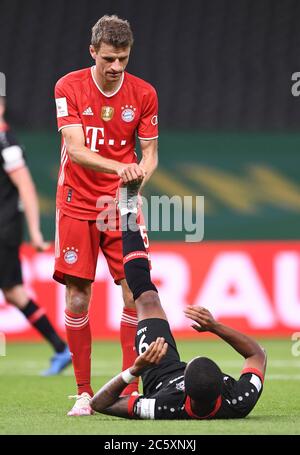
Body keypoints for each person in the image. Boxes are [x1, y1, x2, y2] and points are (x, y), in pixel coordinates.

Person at [53, 15, 158, 415]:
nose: (116, 68)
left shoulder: (144, 93)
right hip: (77, 201)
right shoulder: (69, 86)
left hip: (122, 205)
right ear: (93, 51)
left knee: (134, 291)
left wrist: (135, 184)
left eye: (124, 59)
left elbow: (149, 155)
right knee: (79, 296)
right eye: (109, 59)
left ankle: (124, 387)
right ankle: (84, 391)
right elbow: (76, 149)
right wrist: (120, 169)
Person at [90, 182, 267, 419]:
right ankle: (128, 208)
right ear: (221, 388)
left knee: (146, 298)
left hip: (159, 371)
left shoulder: (164, 405)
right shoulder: (238, 399)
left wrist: (136, 369)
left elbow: (99, 404)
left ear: (187, 394)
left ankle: (127, 208)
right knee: (147, 299)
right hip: (170, 373)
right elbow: (257, 354)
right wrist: (215, 327)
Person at [0, 95, 71, 375]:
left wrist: (36, 232)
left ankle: (60, 348)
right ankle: (59, 347)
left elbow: (27, 188)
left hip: (3, 229)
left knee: (15, 292)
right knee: (15, 293)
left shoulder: (7, 144)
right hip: (5, 228)